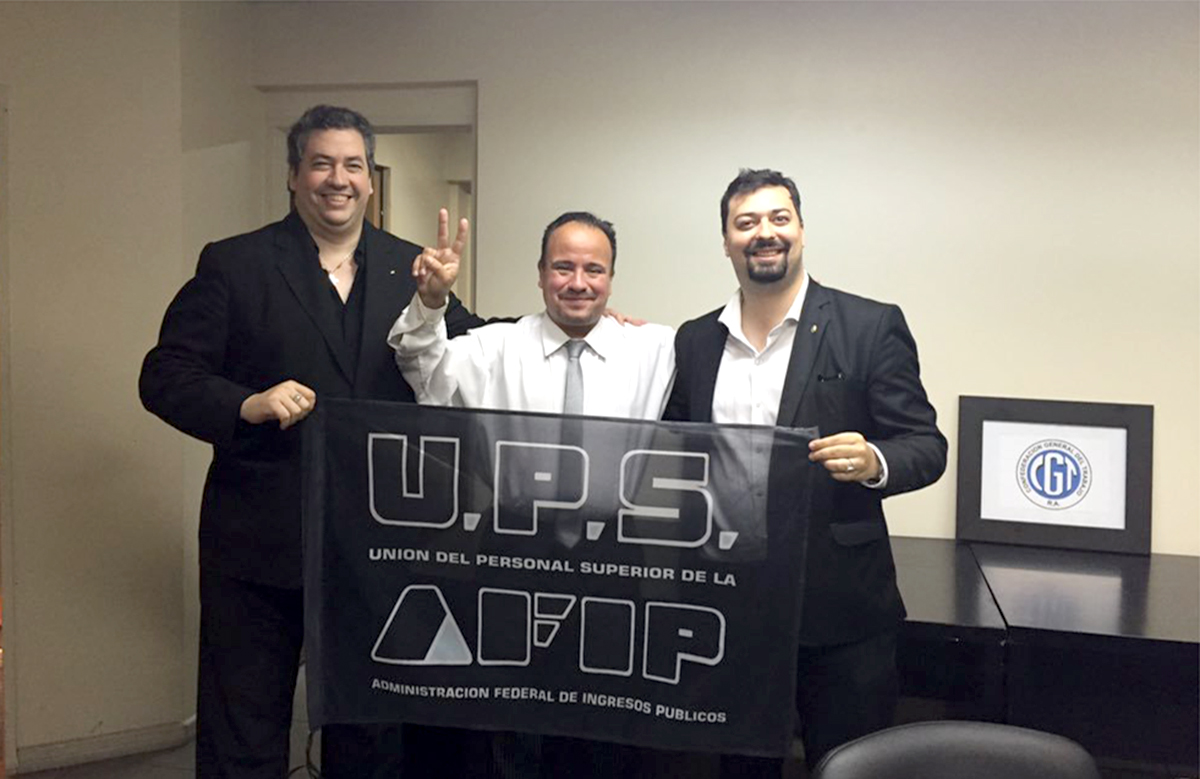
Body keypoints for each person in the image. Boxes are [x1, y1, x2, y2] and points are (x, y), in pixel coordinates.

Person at [139, 104, 483, 779]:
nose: (338, 179)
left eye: (353, 165)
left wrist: (580, 322)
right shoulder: (235, 264)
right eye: (321, 163)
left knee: (370, 732)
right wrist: (247, 402)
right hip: (258, 540)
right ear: (294, 175)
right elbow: (165, 375)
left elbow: (476, 352)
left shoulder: (412, 268)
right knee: (243, 729)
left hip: (375, 543)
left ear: (370, 180)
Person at [664, 169, 947, 774]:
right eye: (746, 222)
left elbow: (926, 446)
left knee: (846, 766)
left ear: (800, 229)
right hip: (730, 609)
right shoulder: (694, 341)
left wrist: (874, 460)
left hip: (841, 612)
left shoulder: (869, 325)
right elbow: (675, 449)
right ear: (726, 241)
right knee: (739, 768)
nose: (764, 233)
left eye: (778, 218)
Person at [387, 211, 675, 778]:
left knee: (605, 713)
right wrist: (432, 301)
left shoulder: (656, 348)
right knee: (511, 713)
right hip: (512, 551)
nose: (578, 282)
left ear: (611, 279)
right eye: (563, 267)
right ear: (541, 273)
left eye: (594, 270)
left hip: (611, 556)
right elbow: (422, 367)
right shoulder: (495, 347)